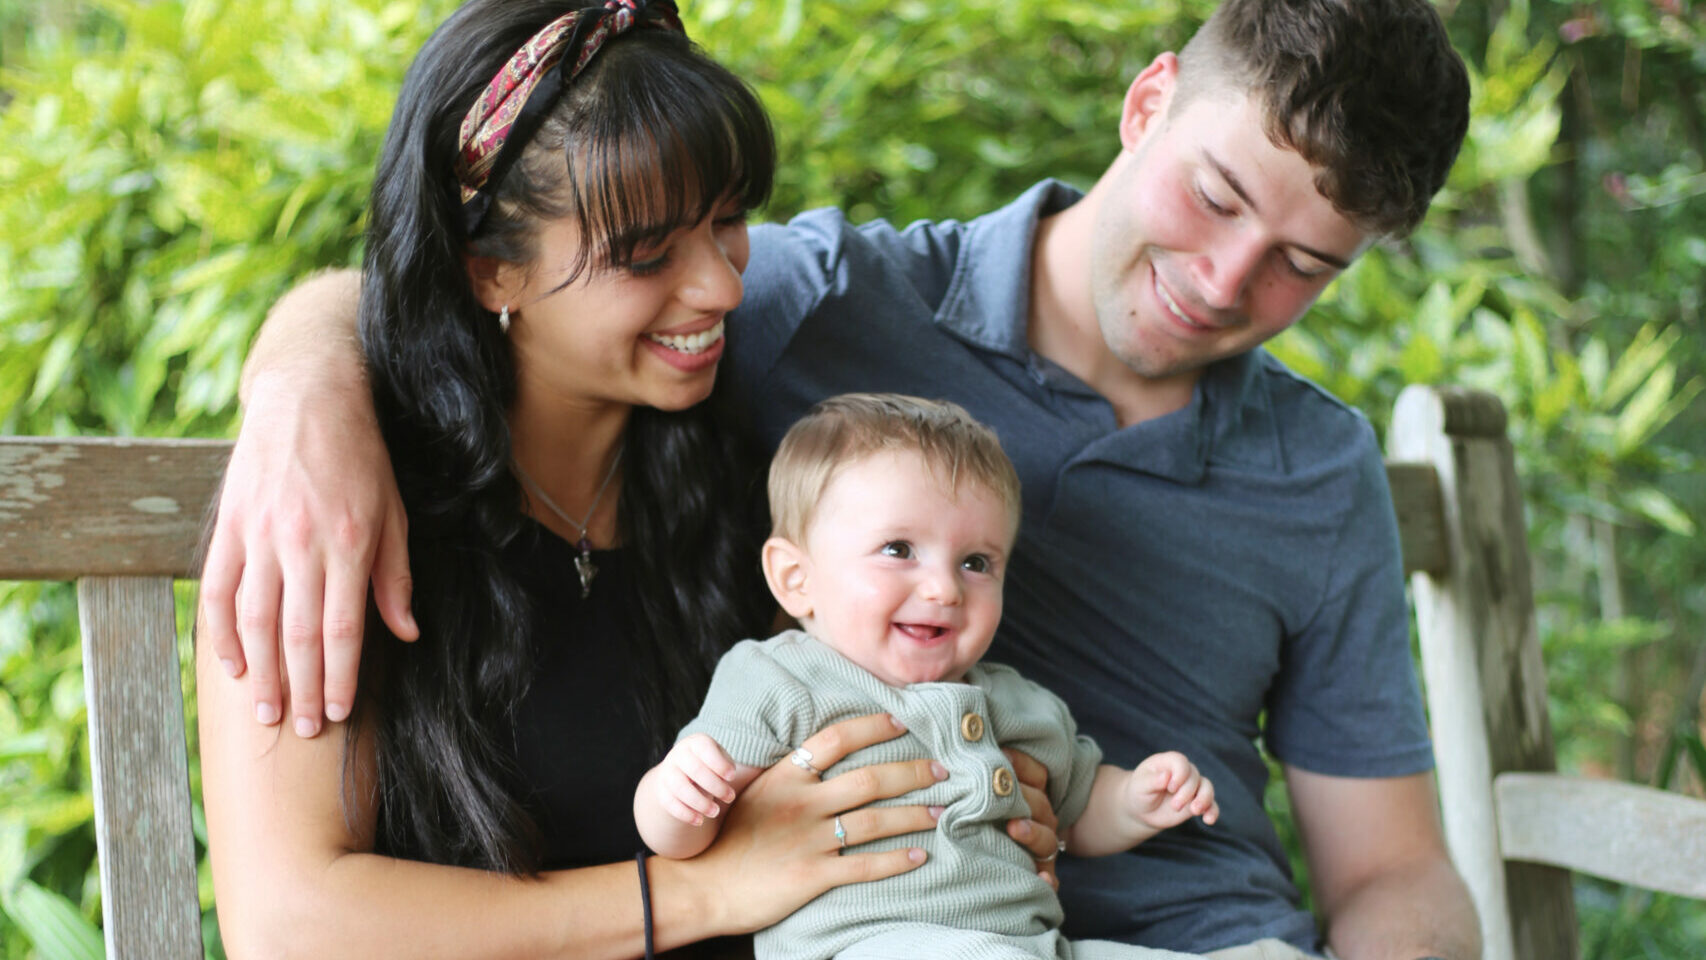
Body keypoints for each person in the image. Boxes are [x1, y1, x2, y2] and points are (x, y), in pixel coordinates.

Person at [200, 0, 1483, 956]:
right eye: (1213, 197)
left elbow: (1392, 872)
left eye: (1302, 265)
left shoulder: (1317, 469)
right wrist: (301, 391)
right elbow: (470, 277)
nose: (1223, 279)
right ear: (1146, 104)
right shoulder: (822, 315)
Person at [194, 3, 1078, 957]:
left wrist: (968, 807)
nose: (725, 287)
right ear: (491, 271)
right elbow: (287, 928)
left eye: (731, 220)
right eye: (648, 254)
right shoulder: (337, 510)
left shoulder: (744, 475)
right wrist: (700, 890)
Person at [639, 393, 1217, 960]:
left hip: (1032, 943)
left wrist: (1138, 800)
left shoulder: (1019, 703)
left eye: (976, 563)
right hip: (863, 944)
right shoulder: (781, 678)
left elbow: (1080, 810)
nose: (945, 589)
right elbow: (679, 835)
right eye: (898, 549)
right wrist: (675, 793)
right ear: (796, 578)